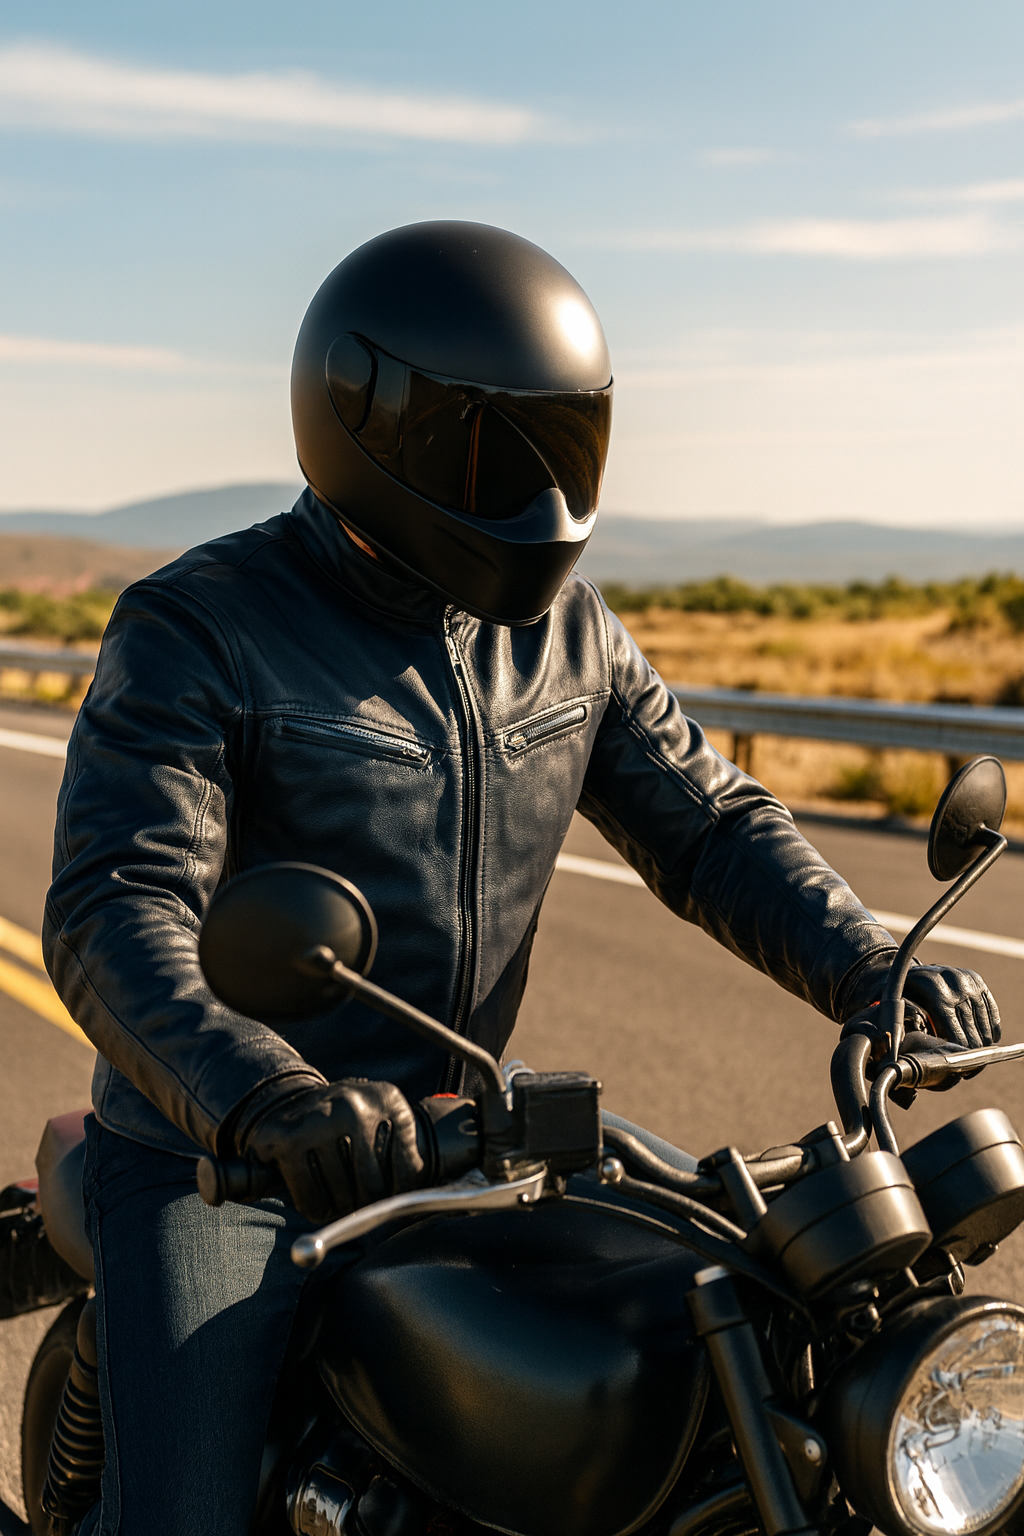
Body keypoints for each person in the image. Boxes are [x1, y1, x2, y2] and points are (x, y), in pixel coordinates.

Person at [44, 221, 999, 1536]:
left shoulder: (569, 635)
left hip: (467, 1132)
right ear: (377, 426)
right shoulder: (202, 626)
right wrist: (264, 1095)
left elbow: (710, 828)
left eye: (569, 445)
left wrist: (869, 966)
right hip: (228, 1160)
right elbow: (117, 909)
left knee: (715, 1370)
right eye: (504, 451)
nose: (546, 492)